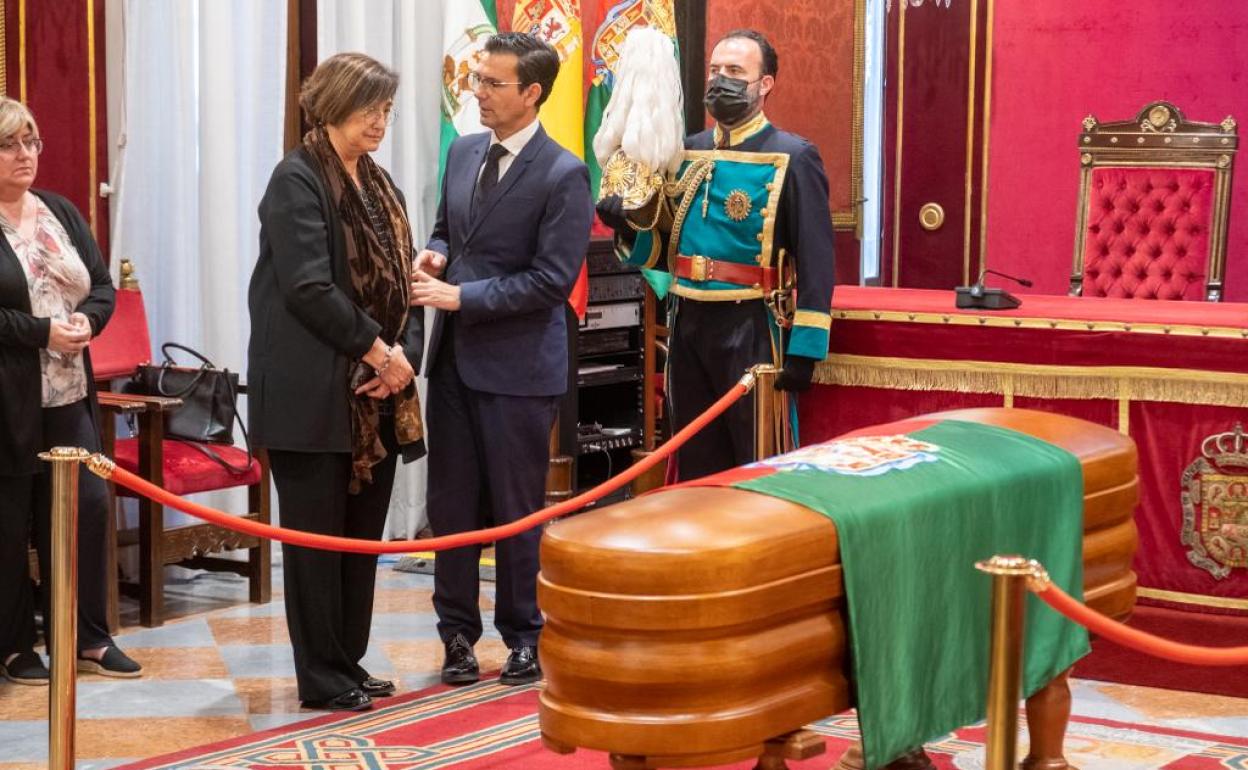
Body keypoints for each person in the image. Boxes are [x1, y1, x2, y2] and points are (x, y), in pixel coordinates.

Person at [410, 32, 593, 687]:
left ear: (532, 92)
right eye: (477, 79)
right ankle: (457, 636)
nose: (478, 92)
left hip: (519, 369)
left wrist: (460, 295)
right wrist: (435, 252)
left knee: (517, 511)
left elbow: (551, 281)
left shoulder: (564, 173)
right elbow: (448, 229)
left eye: (493, 83)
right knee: (451, 507)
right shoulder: (462, 151)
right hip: (453, 364)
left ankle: (524, 637)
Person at [248, 52, 425, 712]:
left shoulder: (381, 184)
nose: (380, 121)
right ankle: (320, 675)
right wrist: (380, 353)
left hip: (375, 394)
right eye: (368, 108)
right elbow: (307, 287)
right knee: (317, 546)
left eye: (386, 109)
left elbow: (407, 285)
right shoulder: (295, 179)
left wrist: (401, 359)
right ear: (332, 105)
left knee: (358, 541)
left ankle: (347, 661)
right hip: (312, 396)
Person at [599, 29, 836, 480]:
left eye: (734, 71)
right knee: (696, 456)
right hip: (687, 320)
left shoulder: (793, 155)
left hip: (751, 324)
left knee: (755, 458)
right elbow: (663, 253)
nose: (720, 80)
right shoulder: (686, 150)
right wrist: (627, 226)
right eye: (714, 70)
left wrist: (805, 350)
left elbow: (817, 260)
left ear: (764, 84)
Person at [0, 97, 141, 684]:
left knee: (87, 507)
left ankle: (88, 637)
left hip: (68, 393)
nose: (25, 154)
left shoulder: (59, 210)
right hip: (8, 400)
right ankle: (14, 646)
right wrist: (42, 332)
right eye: (9, 144)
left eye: (31, 142)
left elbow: (102, 286)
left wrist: (88, 320)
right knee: (10, 524)